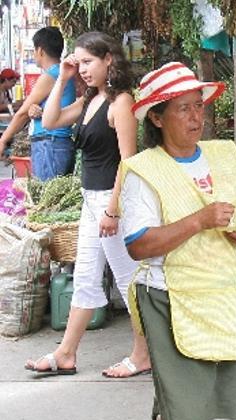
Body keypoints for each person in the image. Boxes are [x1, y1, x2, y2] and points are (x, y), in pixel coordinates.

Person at [120, 61, 236, 420]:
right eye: (183, 109)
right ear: (157, 118)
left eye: (199, 106)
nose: (196, 117)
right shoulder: (144, 171)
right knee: (188, 403)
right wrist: (198, 221)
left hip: (221, 294)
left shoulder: (222, 156)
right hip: (169, 297)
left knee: (204, 394)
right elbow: (138, 245)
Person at [24, 32, 147, 378]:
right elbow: (48, 122)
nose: (83, 70)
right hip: (91, 202)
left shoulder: (121, 102)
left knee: (127, 281)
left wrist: (113, 208)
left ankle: (142, 355)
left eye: (88, 62)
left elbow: (128, 161)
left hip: (113, 203)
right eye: (79, 63)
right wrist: (62, 76)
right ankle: (66, 353)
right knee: (86, 279)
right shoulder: (89, 100)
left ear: (109, 58)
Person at [0, 27, 77, 180]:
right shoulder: (61, 72)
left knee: (47, 198)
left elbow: (22, 113)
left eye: (34, 51)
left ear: (40, 50)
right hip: (54, 144)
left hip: (50, 144)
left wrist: (3, 140)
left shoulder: (51, 75)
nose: (34, 55)